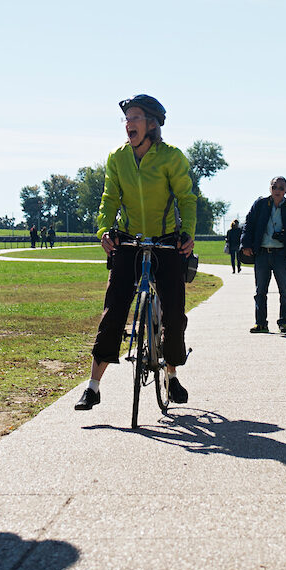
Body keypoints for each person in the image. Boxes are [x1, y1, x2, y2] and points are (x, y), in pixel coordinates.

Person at [75, 94, 196, 411]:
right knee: (114, 308)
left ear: (153, 124)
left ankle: (170, 376)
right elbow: (109, 199)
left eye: (136, 117)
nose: (129, 124)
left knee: (173, 311)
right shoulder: (118, 158)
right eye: (126, 118)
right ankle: (93, 386)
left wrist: (187, 235)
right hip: (128, 239)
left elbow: (186, 198)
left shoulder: (171, 158)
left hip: (167, 240)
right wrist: (103, 229)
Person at [240, 178, 286, 333]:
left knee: (285, 291)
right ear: (270, 188)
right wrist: (246, 244)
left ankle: (284, 322)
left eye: (281, 188)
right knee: (260, 291)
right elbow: (248, 224)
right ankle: (260, 323)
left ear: (285, 191)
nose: (277, 190)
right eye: (274, 187)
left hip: (282, 255)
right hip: (262, 253)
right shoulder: (260, 204)